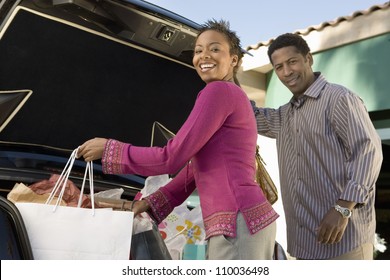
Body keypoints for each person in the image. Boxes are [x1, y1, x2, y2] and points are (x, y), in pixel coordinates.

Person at [77, 19, 279, 260]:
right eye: (198, 50)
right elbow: (195, 169)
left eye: (214, 49)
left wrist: (111, 150)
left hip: (237, 223)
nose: (204, 56)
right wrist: (151, 203)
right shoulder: (233, 95)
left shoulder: (218, 91)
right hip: (244, 222)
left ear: (233, 59)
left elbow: (172, 158)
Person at [251, 33, 383, 260]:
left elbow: (368, 153)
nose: (287, 72)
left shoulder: (338, 98)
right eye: (279, 67)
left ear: (308, 59)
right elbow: (247, 115)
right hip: (304, 247)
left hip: (346, 244)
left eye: (292, 62)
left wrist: (343, 208)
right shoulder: (285, 115)